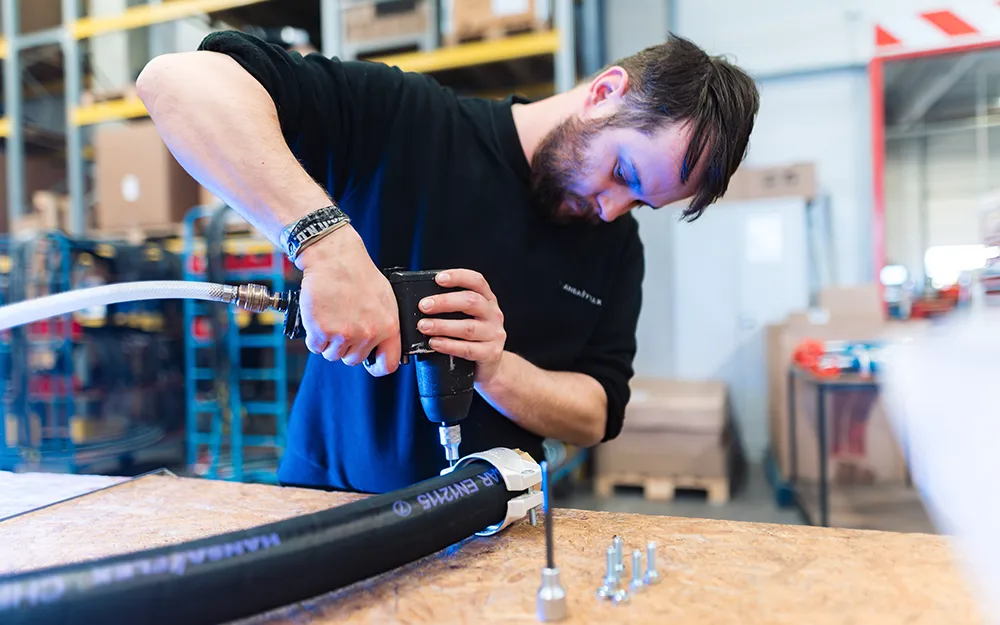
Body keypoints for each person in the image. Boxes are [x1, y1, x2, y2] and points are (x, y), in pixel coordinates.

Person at [136, 29, 759, 493]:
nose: (611, 208)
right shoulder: (406, 122)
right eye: (623, 172)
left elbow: (596, 412)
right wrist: (327, 245)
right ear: (604, 93)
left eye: (641, 203)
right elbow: (179, 81)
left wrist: (497, 370)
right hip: (324, 506)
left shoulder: (617, 248)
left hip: (490, 533)